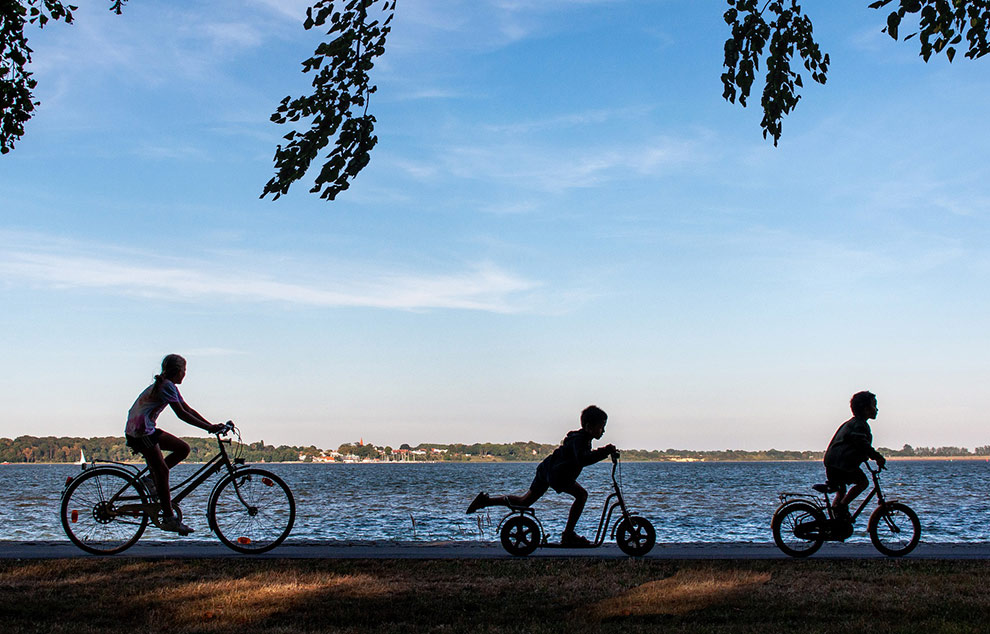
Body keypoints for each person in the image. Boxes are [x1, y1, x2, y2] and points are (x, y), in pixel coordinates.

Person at [465, 405, 616, 546]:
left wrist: (603, 452)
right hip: (557, 474)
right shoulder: (580, 440)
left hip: (547, 469)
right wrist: (604, 452)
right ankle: (568, 535)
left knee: (524, 502)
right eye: (601, 426)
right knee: (582, 495)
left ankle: (486, 501)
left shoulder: (581, 438)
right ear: (589, 427)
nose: (603, 431)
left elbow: (584, 457)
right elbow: (583, 459)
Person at [125, 354, 225, 535]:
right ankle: (169, 518)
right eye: (184, 370)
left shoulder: (169, 385)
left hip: (145, 428)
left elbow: (187, 408)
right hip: (140, 431)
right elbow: (182, 414)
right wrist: (208, 428)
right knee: (162, 471)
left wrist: (210, 426)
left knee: (183, 448)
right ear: (178, 371)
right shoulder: (166, 386)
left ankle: (149, 480)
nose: (185, 374)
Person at [823, 391, 886, 520]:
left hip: (833, 464)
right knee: (863, 483)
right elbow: (862, 443)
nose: (877, 409)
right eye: (874, 405)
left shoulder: (851, 423)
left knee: (841, 491)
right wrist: (877, 457)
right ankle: (841, 508)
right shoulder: (859, 425)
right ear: (865, 409)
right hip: (841, 465)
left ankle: (837, 520)